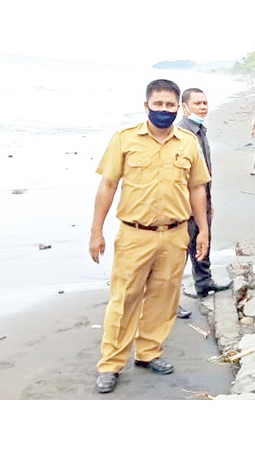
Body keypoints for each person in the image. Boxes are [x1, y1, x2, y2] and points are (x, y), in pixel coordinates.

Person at [89, 79, 211, 394]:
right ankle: (111, 364)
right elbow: (107, 186)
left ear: (177, 107)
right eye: (158, 105)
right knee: (124, 299)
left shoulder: (187, 142)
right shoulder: (125, 139)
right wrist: (96, 231)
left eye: (170, 105)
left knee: (164, 296)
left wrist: (203, 230)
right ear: (147, 106)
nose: (164, 110)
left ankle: (149, 353)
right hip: (134, 235)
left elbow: (197, 188)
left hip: (175, 234)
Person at [178, 87, 231, 300]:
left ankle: (204, 282)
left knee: (203, 243)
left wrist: (208, 204)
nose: (202, 107)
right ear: (184, 107)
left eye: (205, 103)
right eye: (197, 103)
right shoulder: (182, 134)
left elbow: (204, 173)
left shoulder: (201, 131)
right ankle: (169, 300)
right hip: (184, 203)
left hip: (203, 198)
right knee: (180, 252)